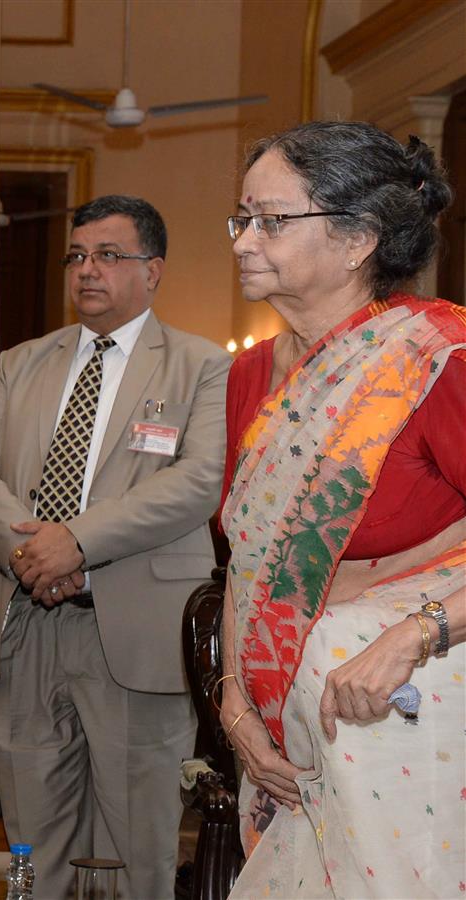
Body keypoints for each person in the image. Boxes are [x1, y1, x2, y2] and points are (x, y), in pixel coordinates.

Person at [0, 195, 231, 900]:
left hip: (133, 633)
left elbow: (198, 482)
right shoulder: (22, 362)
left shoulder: (200, 366)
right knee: (30, 851)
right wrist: (33, 555)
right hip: (25, 625)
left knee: (138, 853)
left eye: (109, 255)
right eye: (77, 256)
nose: (87, 271)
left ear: (153, 269)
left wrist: (75, 542)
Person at [220, 121, 464, 898]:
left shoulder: (436, 359)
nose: (244, 242)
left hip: (406, 717)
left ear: (358, 238)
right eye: (242, 218)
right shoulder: (251, 376)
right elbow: (247, 557)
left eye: (273, 220)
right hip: (283, 727)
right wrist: (234, 704)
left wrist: (413, 632)